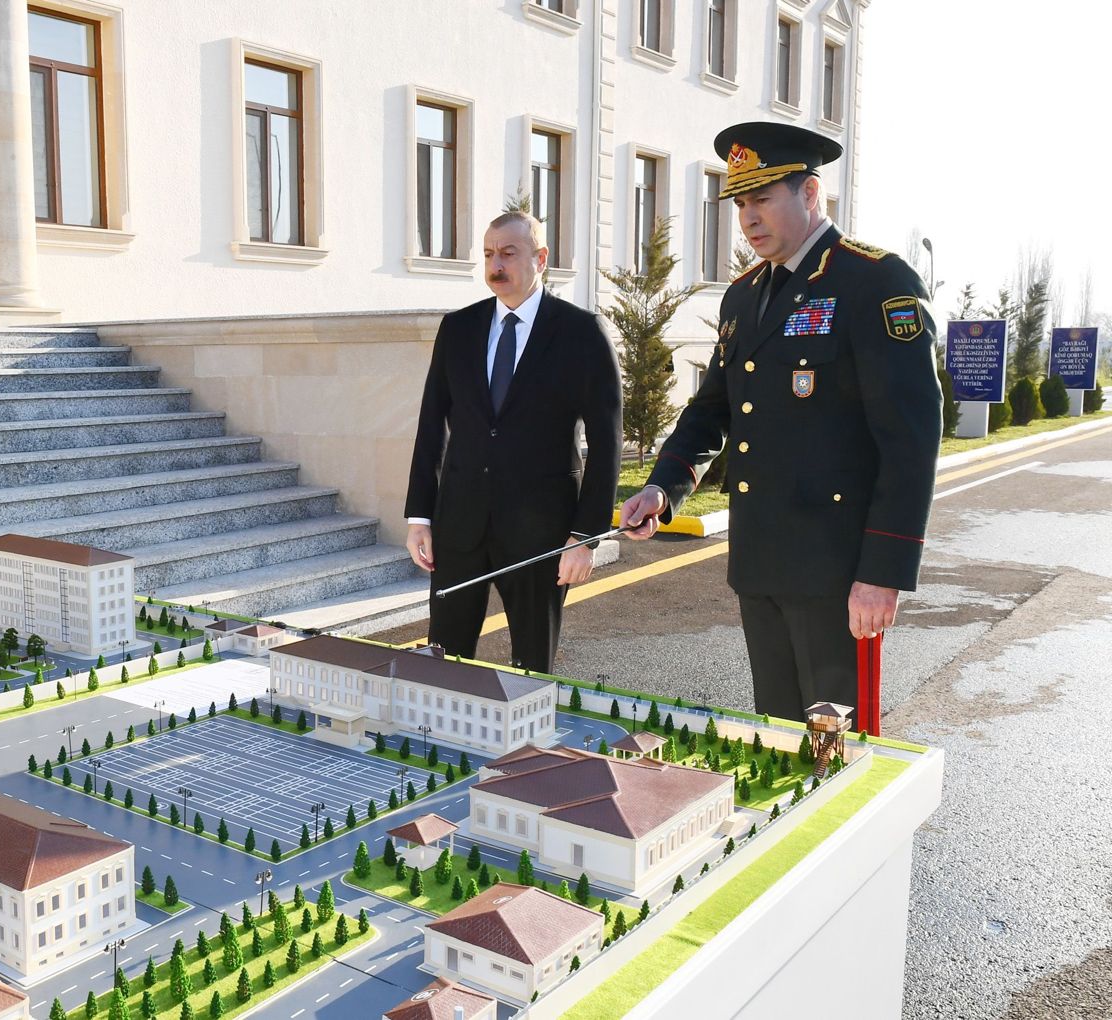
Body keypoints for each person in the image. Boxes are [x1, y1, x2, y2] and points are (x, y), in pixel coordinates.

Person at [618, 121, 942, 721]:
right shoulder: (743, 296)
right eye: (741, 203)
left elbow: (911, 439)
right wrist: (662, 487)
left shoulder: (872, 281)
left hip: (837, 574)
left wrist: (883, 572)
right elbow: (714, 407)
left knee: (837, 749)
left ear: (810, 195)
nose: (748, 218)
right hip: (760, 563)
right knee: (779, 738)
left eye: (763, 198)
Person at [404, 211, 622, 674]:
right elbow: (430, 425)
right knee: (443, 662)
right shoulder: (458, 328)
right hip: (459, 525)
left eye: (508, 253)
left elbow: (607, 442)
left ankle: (528, 746)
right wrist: (420, 516)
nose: (495, 265)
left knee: (531, 668)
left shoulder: (580, 333)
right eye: (488, 254)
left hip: (540, 532)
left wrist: (585, 537)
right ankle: (442, 743)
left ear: (540, 258)